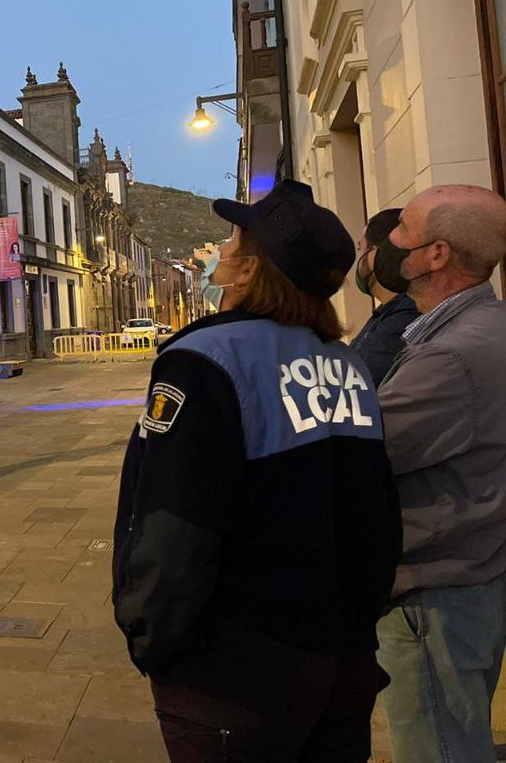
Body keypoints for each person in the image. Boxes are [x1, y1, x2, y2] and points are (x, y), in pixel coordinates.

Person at [112, 180, 401, 763]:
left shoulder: (206, 360)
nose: (221, 248)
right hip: (341, 653)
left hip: (237, 667)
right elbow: (375, 514)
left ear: (250, 270)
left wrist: (155, 641)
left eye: (232, 237)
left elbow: (175, 521)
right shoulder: (345, 363)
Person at [370, 184, 506, 763]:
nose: (388, 242)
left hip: (435, 597)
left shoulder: (449, 356)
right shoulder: (471, 330)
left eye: (402, 228)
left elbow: (365, 456)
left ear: (436, 253)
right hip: (468, 578)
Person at [349, 208, 419, 382]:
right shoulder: (388, 310)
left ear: (373, 255)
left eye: (361, 249)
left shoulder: (405, 313)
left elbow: (356, 380)